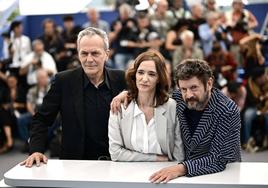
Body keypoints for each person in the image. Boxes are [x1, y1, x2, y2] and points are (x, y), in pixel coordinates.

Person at [111, 59, 241, 182]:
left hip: (223, 176)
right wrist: (128, 94)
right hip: (184, 178)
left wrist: (180, 168)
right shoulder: (178, 98)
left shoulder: (228, 111)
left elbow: (218, 158)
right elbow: (151, 94)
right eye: (183, 89)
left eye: (194, 88)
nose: (188, 95)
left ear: (209, 83)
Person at [20, 27, 126, 167]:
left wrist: (129, 93)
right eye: (84, 53)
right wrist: (36, 150)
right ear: (78, 54)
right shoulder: (63, 81)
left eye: (95, 53)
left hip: (117, 163)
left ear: (106, 54)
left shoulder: (122, 79)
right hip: (75, 163)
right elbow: (41, 119)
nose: (89, 59)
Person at [108, 50, 184, 162]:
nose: (144, 79)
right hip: (128, 174)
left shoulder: (172, 107)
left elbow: (179, 155)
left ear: (159, 78)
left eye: (151, 74)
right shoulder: (120, 106)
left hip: (164, 175)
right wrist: (155, 158)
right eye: (141, 72)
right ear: (134, 74)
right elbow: (115, 153)